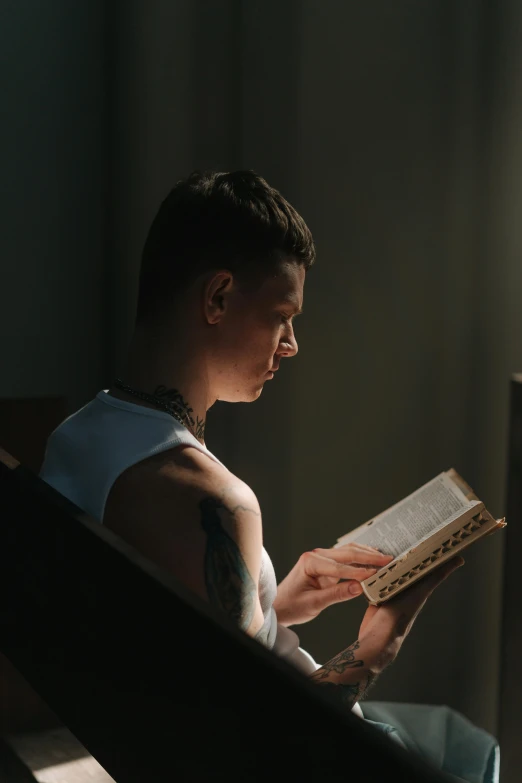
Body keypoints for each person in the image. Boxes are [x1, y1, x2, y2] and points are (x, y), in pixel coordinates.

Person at [39, 170, 498, 781]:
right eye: (283, 315)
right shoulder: (209, 499)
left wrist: (276, 600)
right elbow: (262, 741)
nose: (291, 345)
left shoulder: (78, 434)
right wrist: (375, 647)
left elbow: (175, 647)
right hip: (291, 749)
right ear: (218, 298)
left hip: (144, 733)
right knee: (470, 751)